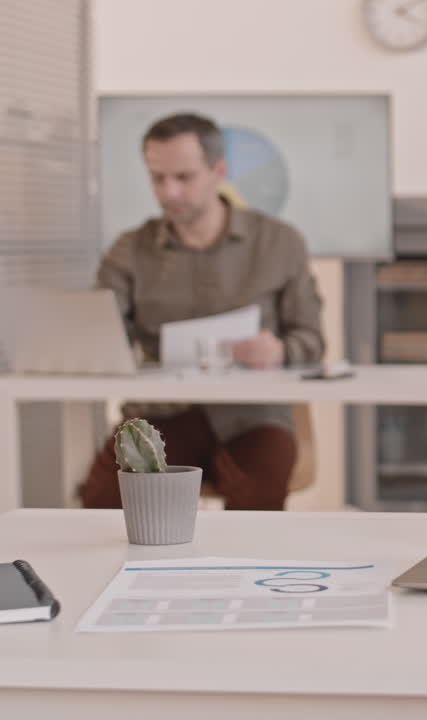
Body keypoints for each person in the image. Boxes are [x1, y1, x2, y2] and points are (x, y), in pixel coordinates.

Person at [78, 113, 324, 511]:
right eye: (158, 178)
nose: (169, 192)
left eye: (184, 177)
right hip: (160, 416)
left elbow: (312, 340)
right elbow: (101, 333)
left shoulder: (279, 242)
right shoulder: (130, 249)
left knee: (257, 499)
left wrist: (279, 351)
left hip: (253, 415)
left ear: (218, 172)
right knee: (101, 499)